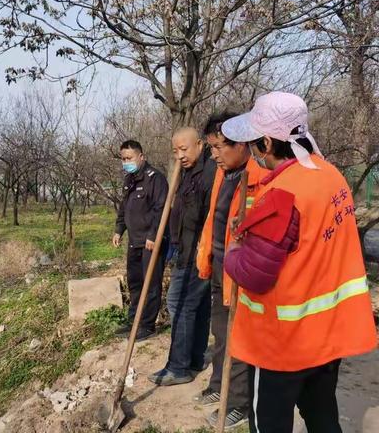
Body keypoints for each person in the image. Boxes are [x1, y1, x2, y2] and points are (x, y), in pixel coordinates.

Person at [220, 91, 377, 433]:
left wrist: (234, 250)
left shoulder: (283, 191)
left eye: (255, 144)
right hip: (326, 335)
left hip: (283, 342)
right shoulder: (330, 175)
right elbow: (303, 240)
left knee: (270, 423)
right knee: (322, 416)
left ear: (266, 143)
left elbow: (254, 274)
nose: (253, 153)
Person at [193, 114, 268, 430]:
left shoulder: (260, 178)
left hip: (240, 274)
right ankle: (217, 385)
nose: (214, 155)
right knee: (221, 335)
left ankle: (237, 403)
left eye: (219, 148)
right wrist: (206, 257)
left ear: (242, 144)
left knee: (239, 339)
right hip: (219, 269)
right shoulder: (224, 175)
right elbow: (214, 218)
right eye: (210, 148)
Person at [148, 127, 216, 386]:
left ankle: (179, 366)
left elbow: (206, 216)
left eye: (184, 149)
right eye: (175, 151)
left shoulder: (209, 173)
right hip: (184, 249)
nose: (179, 155)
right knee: (196, 307)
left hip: (199, 251)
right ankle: (193, 360)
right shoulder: (186, 173)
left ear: (199, 144)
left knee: (179, 302)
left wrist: (201, 249)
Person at [113, 140, 169, 341]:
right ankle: (133, 321)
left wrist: (153, 236)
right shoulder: (129, 180)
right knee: (135, 282)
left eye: (129, 158)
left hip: (150, 242)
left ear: (141, 156)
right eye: (123, 159)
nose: (126, 162)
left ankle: (147, 325)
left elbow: (161, 209)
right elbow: (124, 208)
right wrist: (119, 230)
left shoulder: (155, 179)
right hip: (134, 241)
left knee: (151, 284)